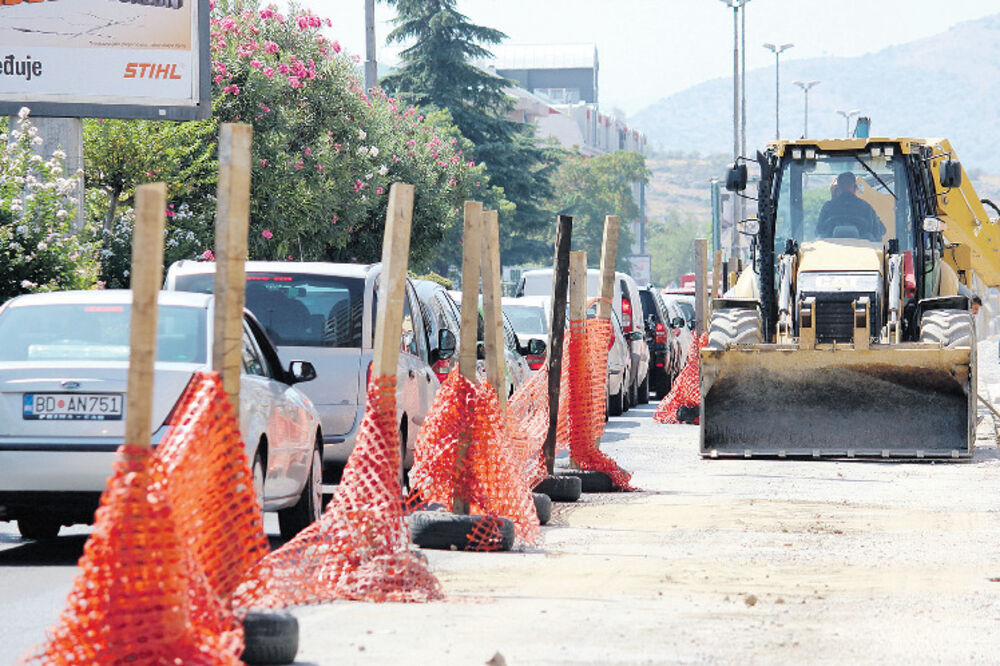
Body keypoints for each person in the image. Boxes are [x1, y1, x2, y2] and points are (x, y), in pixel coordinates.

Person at [816, 172, 886, 242]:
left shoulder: (828, 207)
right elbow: (878, 232)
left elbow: (818, 231)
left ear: (837, 188)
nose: (846, 187)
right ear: (855, 188)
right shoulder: (866, 207)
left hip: (830, 251)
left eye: (848, 184)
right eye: (844, 184)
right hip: (863, 250)